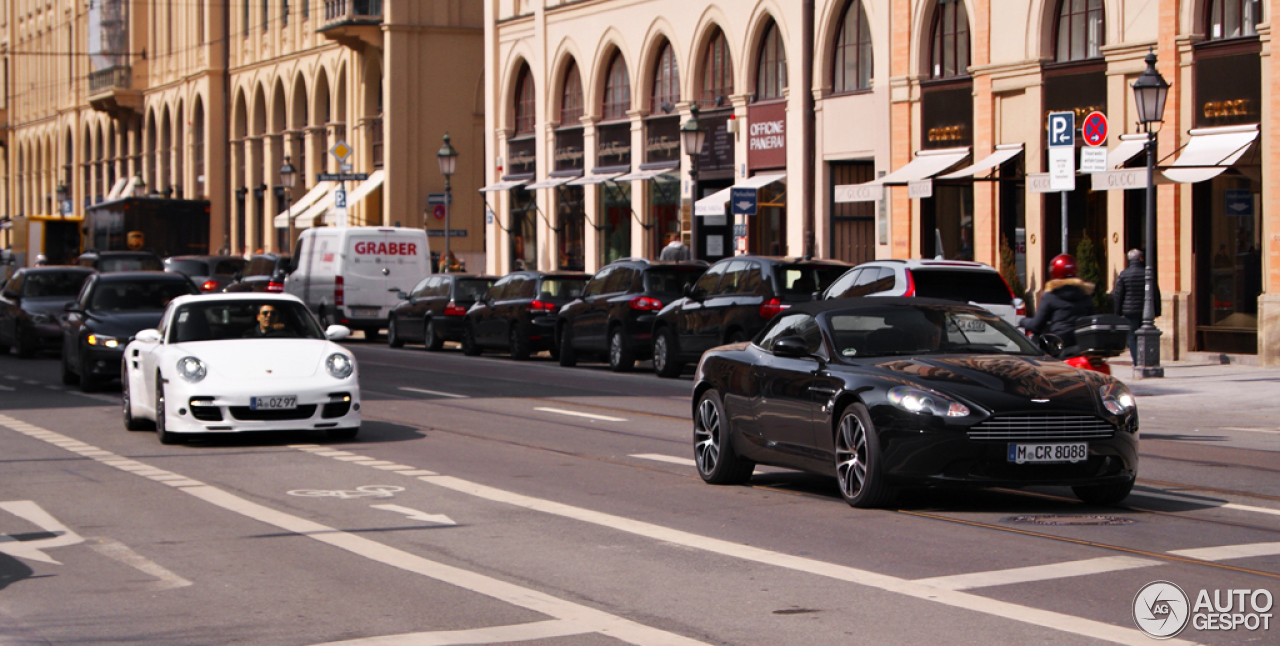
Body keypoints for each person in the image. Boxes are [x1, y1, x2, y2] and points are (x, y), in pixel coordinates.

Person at [1019, 254, 1096, 353]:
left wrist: (1022, 321)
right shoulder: (1085, 293)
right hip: (1081, 345)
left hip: (1059, 346)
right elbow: (1092, 317)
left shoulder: (1051, 295)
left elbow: (1037, 325)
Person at [1112, 248, 1159, 363]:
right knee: (1144, 335)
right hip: (1144, 311)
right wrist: (1157, 310)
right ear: (1141, 259)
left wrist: (1117, 313)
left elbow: (1118, 295)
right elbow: (1155, 293)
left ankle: (1137, 360)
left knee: (1132, 336)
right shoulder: (1147, 273)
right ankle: (1145, 359)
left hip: (1129, 311)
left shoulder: (1124, 274)